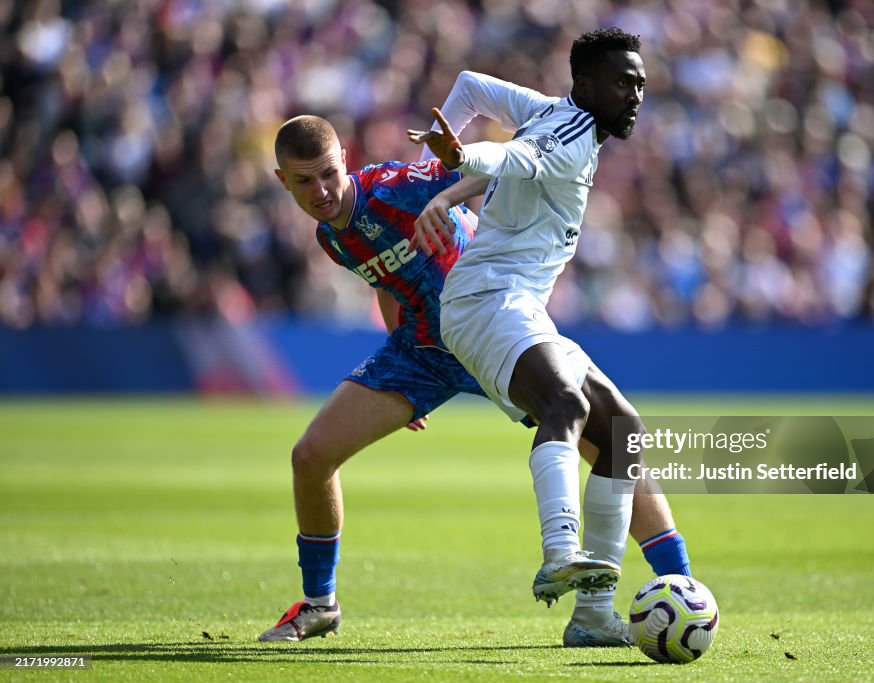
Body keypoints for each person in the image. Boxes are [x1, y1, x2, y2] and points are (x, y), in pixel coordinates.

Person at [261, 111, 690, 645]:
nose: (322, 190)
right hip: (421, 353)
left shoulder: (395, 186)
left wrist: (446, 197)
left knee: (612, 439)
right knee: (310, 457)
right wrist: (398, 377)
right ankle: (321, 604)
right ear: (283, 181)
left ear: (344, 159)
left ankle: (682, 585)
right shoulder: (332, 235)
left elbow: (500, 167)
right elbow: (387, 281)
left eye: (329, 173)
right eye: (305, 181)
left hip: (489, 327)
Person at [408, 28, 664, 646]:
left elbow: (470, 86)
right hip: (486, 300)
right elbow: (510, 158)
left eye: (640, 84)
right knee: (565, 403)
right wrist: (455, 159)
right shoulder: (568, 137)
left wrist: (436, 163)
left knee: (623, 432)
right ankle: (559, 552)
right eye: (623, 83)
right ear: (586, 86)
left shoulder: (550, 110)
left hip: (517, 305)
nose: (635, 95)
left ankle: (594, 616)